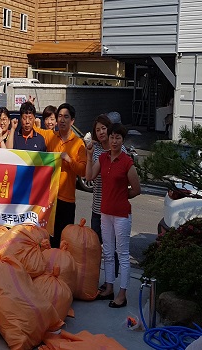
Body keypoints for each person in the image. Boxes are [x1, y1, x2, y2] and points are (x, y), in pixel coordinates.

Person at [86, 123, 141, 308]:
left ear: (122, 140)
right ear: (108, 139)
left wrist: (121, 197)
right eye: (112, 137)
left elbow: (136, 189)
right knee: (108, 253)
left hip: (122, 215)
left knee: (122, 254)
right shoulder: (102, 158)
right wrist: (88, 154)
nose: (114, 141)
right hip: (105, 213)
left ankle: (122, 294)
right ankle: (109, 288)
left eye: (118, 138)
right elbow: (89, 177)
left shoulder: (127, 162)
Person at [36, 103, 87, 248]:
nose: (62, 120)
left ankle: (61, 268)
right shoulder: (51, 136)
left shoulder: (79, 144)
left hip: (67, 199)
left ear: (72, 121)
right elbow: (32, 129)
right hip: (49, 199)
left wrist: (69, 160)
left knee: (64, 241)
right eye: (59, 116)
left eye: (66, 117)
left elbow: (83, 171)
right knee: (48, 240)